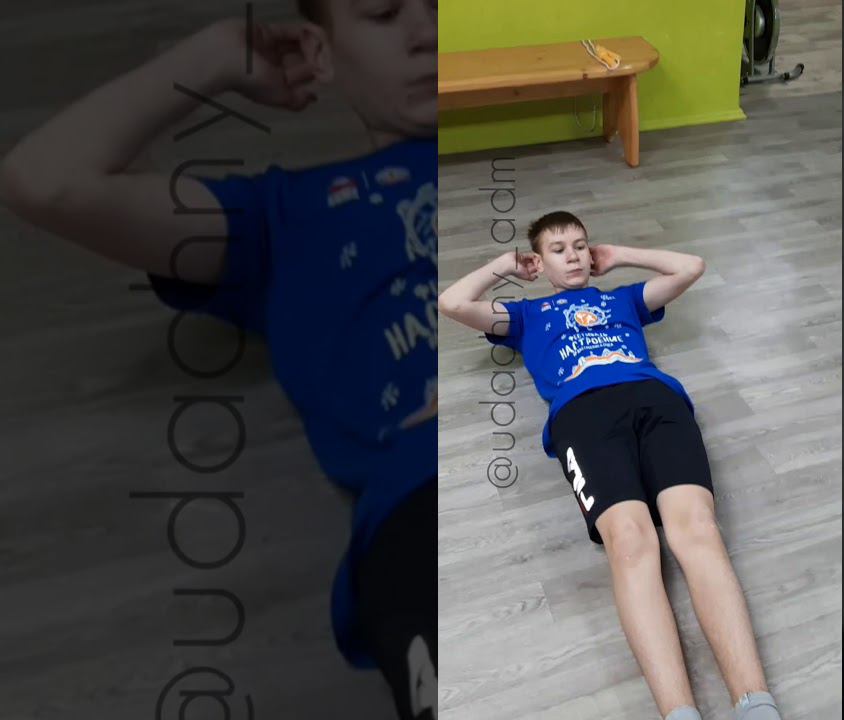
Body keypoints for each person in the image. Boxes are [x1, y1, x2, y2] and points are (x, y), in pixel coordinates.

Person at [0, 3, 438, 718]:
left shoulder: (538, 151)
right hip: (426, 495)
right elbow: (45, 181)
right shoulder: (283, 216)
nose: (429, 32)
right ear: (323, 54)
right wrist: (210, 58)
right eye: (385, 13)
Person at [439, 211, 785, 720]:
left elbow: (690, 266)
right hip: (583, 416)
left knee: (698, 531)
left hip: (656, 402)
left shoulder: (621, 300)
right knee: (630, 542)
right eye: (558, 249)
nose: (573, 256)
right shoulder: (526, 316)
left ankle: (756, 704)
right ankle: (680, 713)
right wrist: (504, 265)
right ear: (539, 261)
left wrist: (619, 256)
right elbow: (452, 303)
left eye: (580, 245)